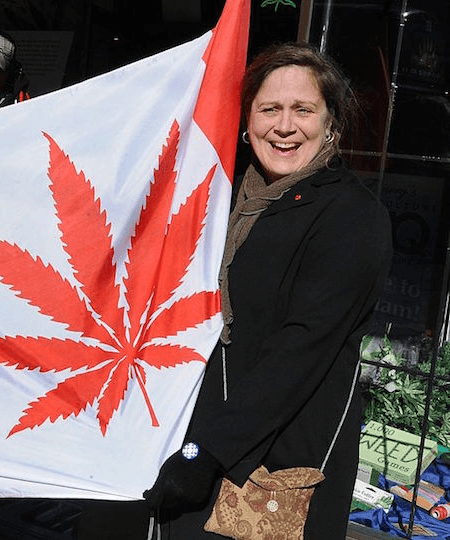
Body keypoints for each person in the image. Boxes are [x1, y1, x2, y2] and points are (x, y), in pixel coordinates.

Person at [140, 42, 393, 539]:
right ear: (245, 120)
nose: (284, 126)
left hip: (277, 465)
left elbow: (300, 350)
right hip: (199, 441)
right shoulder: (223, 197)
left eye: (303, 109)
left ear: (331, 123)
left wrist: (203, 453)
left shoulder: (353, 218)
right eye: (269, 109)